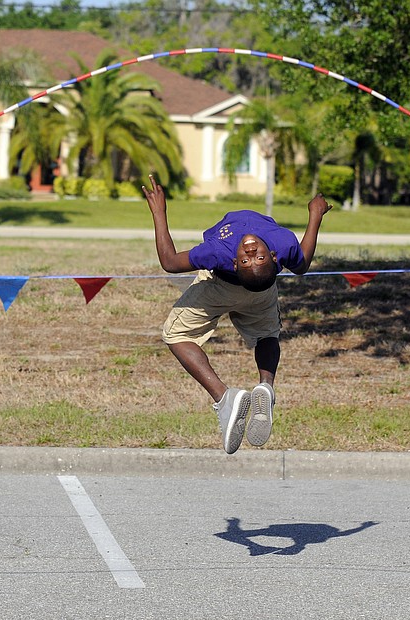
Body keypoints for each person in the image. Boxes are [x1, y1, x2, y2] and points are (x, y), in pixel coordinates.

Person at [142, 174, 332, 454]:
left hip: (219, 289)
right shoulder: (283, 242)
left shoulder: (219, 252)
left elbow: (170, 262)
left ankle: (225, 398)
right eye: (251, 258)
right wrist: (315, 215)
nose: (251, 250)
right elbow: (302, 265)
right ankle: (266, 386)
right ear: (274, 258)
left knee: (176, 335)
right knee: (267, 334)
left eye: (251, 258)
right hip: (261, 292)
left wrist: (159, 212)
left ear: (233, 263)